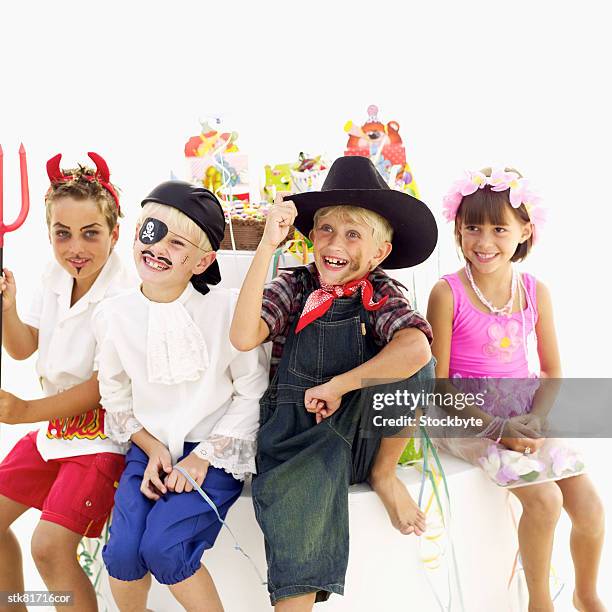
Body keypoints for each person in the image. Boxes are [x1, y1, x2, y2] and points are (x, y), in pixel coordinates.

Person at [230, 155, 438, 608]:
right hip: (295, 437)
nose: (334, 243)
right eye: (326, 229)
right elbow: (244, 335)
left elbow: (416, 350)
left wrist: (341, 384)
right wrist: (267, 247)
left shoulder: (380, 293)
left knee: (418, 358)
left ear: (380, 252)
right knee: (299, 553)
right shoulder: (296, 285)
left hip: (356, 433)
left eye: (352, 234)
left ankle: (384, 474)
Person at [427, 167, 606, 612]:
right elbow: (440, 385)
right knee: (543, 500)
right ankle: (539, 605)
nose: (484, 242)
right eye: (472, 228)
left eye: (499, 228)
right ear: (458, 229)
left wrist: (537, 419)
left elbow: (551, 370)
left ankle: (587, 596)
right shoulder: (446, 293)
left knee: (588, 507)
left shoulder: (534, 291)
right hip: (466, 419)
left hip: (526, 414)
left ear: (524, 230)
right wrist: (496, 427)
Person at [96, 180, 268, 612]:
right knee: (121, 553)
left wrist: (203, 456)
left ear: (203, 260)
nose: (157, 249)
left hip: (214, 449)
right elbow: (114, 395)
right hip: (148, 448)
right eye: (151, 232)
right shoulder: (114, 314)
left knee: (164, 547)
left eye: (177, 243)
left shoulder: (226, 309)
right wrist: (150, 447)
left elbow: (251, 392)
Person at [0, 153, 132, 612]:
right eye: (63, 234)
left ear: (115, 234)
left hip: (102, 436)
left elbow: (101, 386)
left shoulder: (123, 294)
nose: (76, 247)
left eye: (91, 233)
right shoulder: (54, 273)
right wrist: (7, 308)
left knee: (50, 547)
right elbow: (22, 347)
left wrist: (23, 412)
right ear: (50, 233)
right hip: (57, 432)